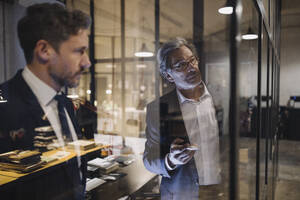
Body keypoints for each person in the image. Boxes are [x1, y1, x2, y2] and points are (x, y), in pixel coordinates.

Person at [0, 3, 91, 199]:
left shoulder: (65, 104)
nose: (87, 62)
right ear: (44, 50)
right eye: (79, 51)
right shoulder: (4, 106)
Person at [143, 38, 222, 199]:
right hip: (182, 194)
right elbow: (149, 159)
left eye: (192, 60)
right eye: (181, 65)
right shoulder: (157, 109)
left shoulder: (220, 98)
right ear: (169, 76)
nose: (191, 68)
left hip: (220, 191)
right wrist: (170, 160)